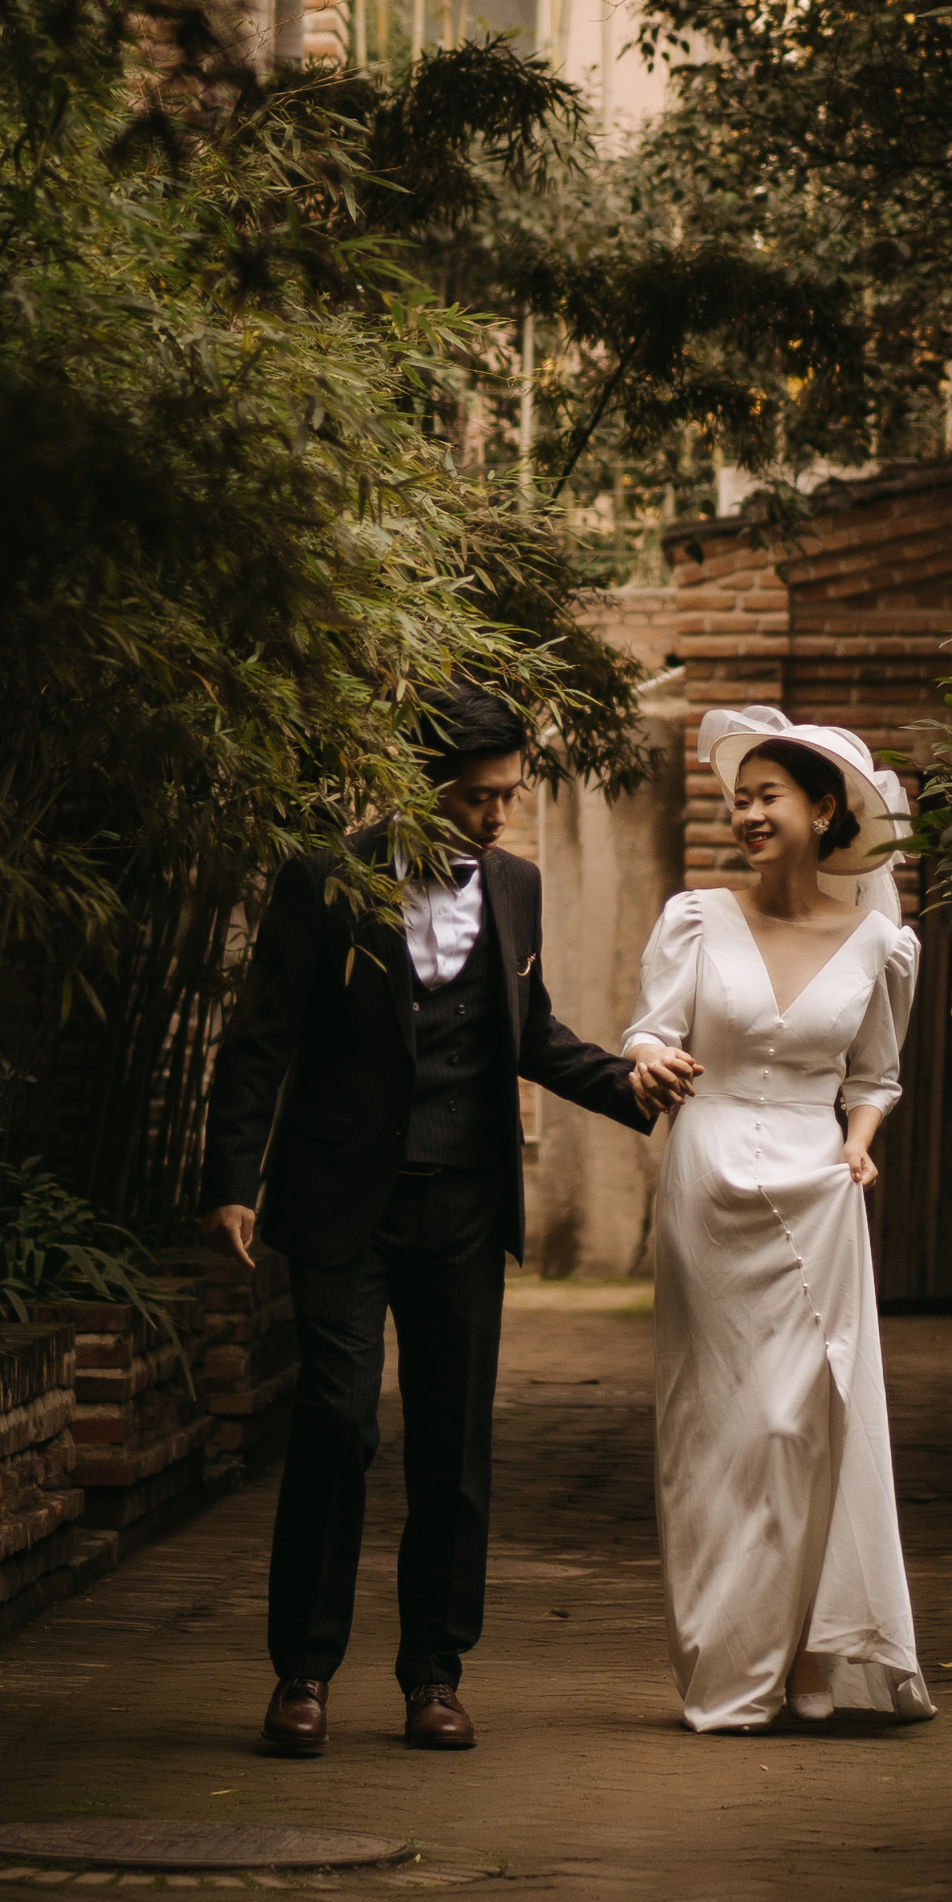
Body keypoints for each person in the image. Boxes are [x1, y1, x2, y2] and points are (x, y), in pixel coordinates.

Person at [198, 685, 654, 1756]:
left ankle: (435, 1676)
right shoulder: (323, 877)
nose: (498, 817)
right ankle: (303, 1673)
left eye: (508, 796)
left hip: (463, 1204)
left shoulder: (516, 886)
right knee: (337, 1421)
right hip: (339, 1201)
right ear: (418, 784)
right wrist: (231, 1180)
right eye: (477, 797)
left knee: (453, 1446)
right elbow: (262, 1039)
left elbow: (527, 1034)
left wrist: (627, 1083)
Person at [621, 706, 939, 1733]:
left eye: (769, 797)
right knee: (716, 1425)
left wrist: (860, 1140)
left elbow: (875, 1075)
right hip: (708, 1181)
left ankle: (811, 1646)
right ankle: (728, 1661)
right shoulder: (694, 918)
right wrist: (650, 1061)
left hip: (818, 1188)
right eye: (741, 798)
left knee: (799, 1420)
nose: (748, 813)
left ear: (825, 810)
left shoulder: (880, 943)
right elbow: (649, 1032)